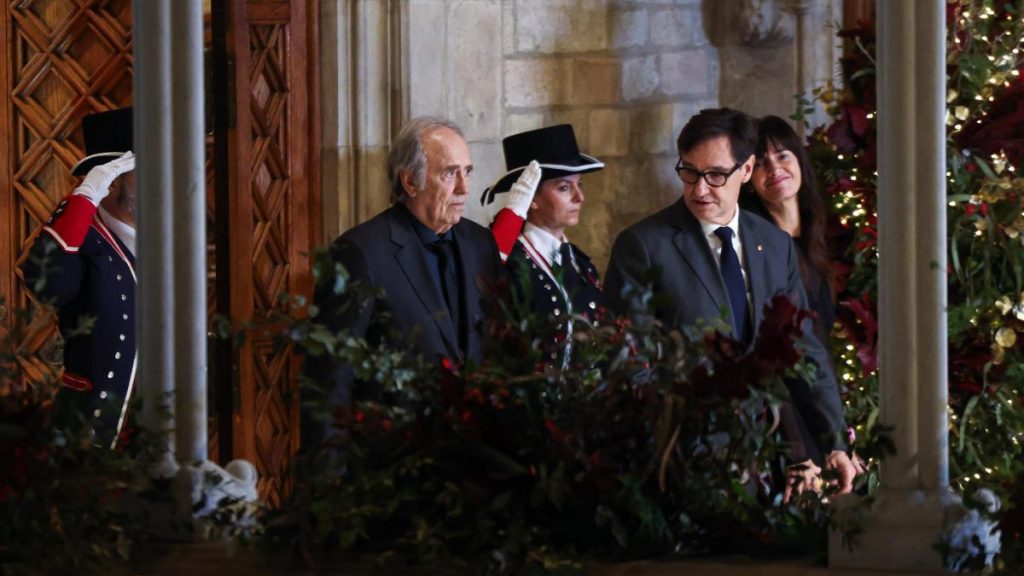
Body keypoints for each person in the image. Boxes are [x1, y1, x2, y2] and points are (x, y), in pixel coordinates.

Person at [604, 108, 857, 498]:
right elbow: (629, 365)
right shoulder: (644, 246)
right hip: (681, 463)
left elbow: (804, 349)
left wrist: (835, 440)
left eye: (716, 175)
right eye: (689, 172)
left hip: (772, 458)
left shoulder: (774, 246)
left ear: (746, 169)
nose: (700, 189)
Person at [310, 117, 502, 411]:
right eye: (450, 174)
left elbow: (498, 348)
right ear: (410, 181)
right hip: (395, 447)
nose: (464, 188)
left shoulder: (480, 244)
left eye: (467, 172)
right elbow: (330, 379)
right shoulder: (361, 252)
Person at [21, 107, 137, 449]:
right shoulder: (81, 240)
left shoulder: (164, 242)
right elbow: (47, 285)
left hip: (153, 428)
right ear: (112, 182)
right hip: (91, 432)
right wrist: (84, 197)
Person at [481, 125, 605, 364]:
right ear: (532, 198)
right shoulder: (510, 261)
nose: (580, 197)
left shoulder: (581, 264)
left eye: (580, 184)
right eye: (564, 187)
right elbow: (484, 272)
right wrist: (514, 211)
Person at [745, 115, 835, 355]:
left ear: (799, 162)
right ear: (749, 178)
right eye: (761, 164)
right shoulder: (754, 245)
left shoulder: (824, 229)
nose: (775, 169)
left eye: (783, 156)